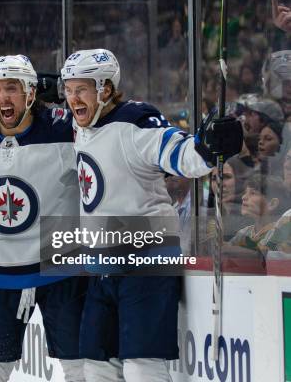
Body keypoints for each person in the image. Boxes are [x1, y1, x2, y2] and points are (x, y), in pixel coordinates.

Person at [60, 48, 242, 381]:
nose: (73, 99)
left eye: (81, 88)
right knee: (96, 368)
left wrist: (206, 147)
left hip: (147, 263)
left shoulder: (137, 121)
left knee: (143, 368)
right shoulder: (79, 124)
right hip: (100, 266)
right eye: (68, 89)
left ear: (105, 88)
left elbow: (181, 153)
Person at [0, 55, 86, 382]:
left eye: (11, 88)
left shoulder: (62, 128)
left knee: (83, 369)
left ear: (30, 92)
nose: (2, 97)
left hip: (61, 269)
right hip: (1, 274)